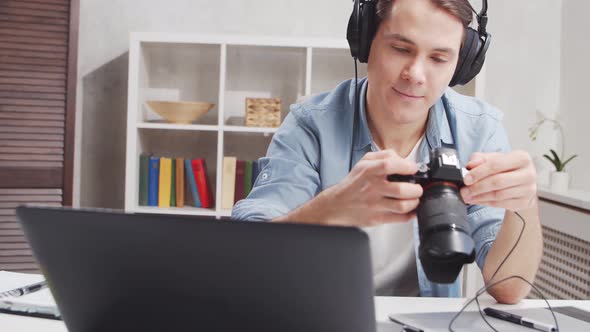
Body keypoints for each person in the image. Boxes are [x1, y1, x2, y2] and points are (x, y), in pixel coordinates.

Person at [232, 0, 542, 304]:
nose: (416, 74)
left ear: (462, 65)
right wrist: (333, 208)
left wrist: (524, 203)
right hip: (324, 314)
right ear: (365, 42)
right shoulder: (311, 125)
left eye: (438, 58)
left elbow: (509, 288)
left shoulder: (478, 129)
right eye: (401, 49)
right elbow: (250, 257)